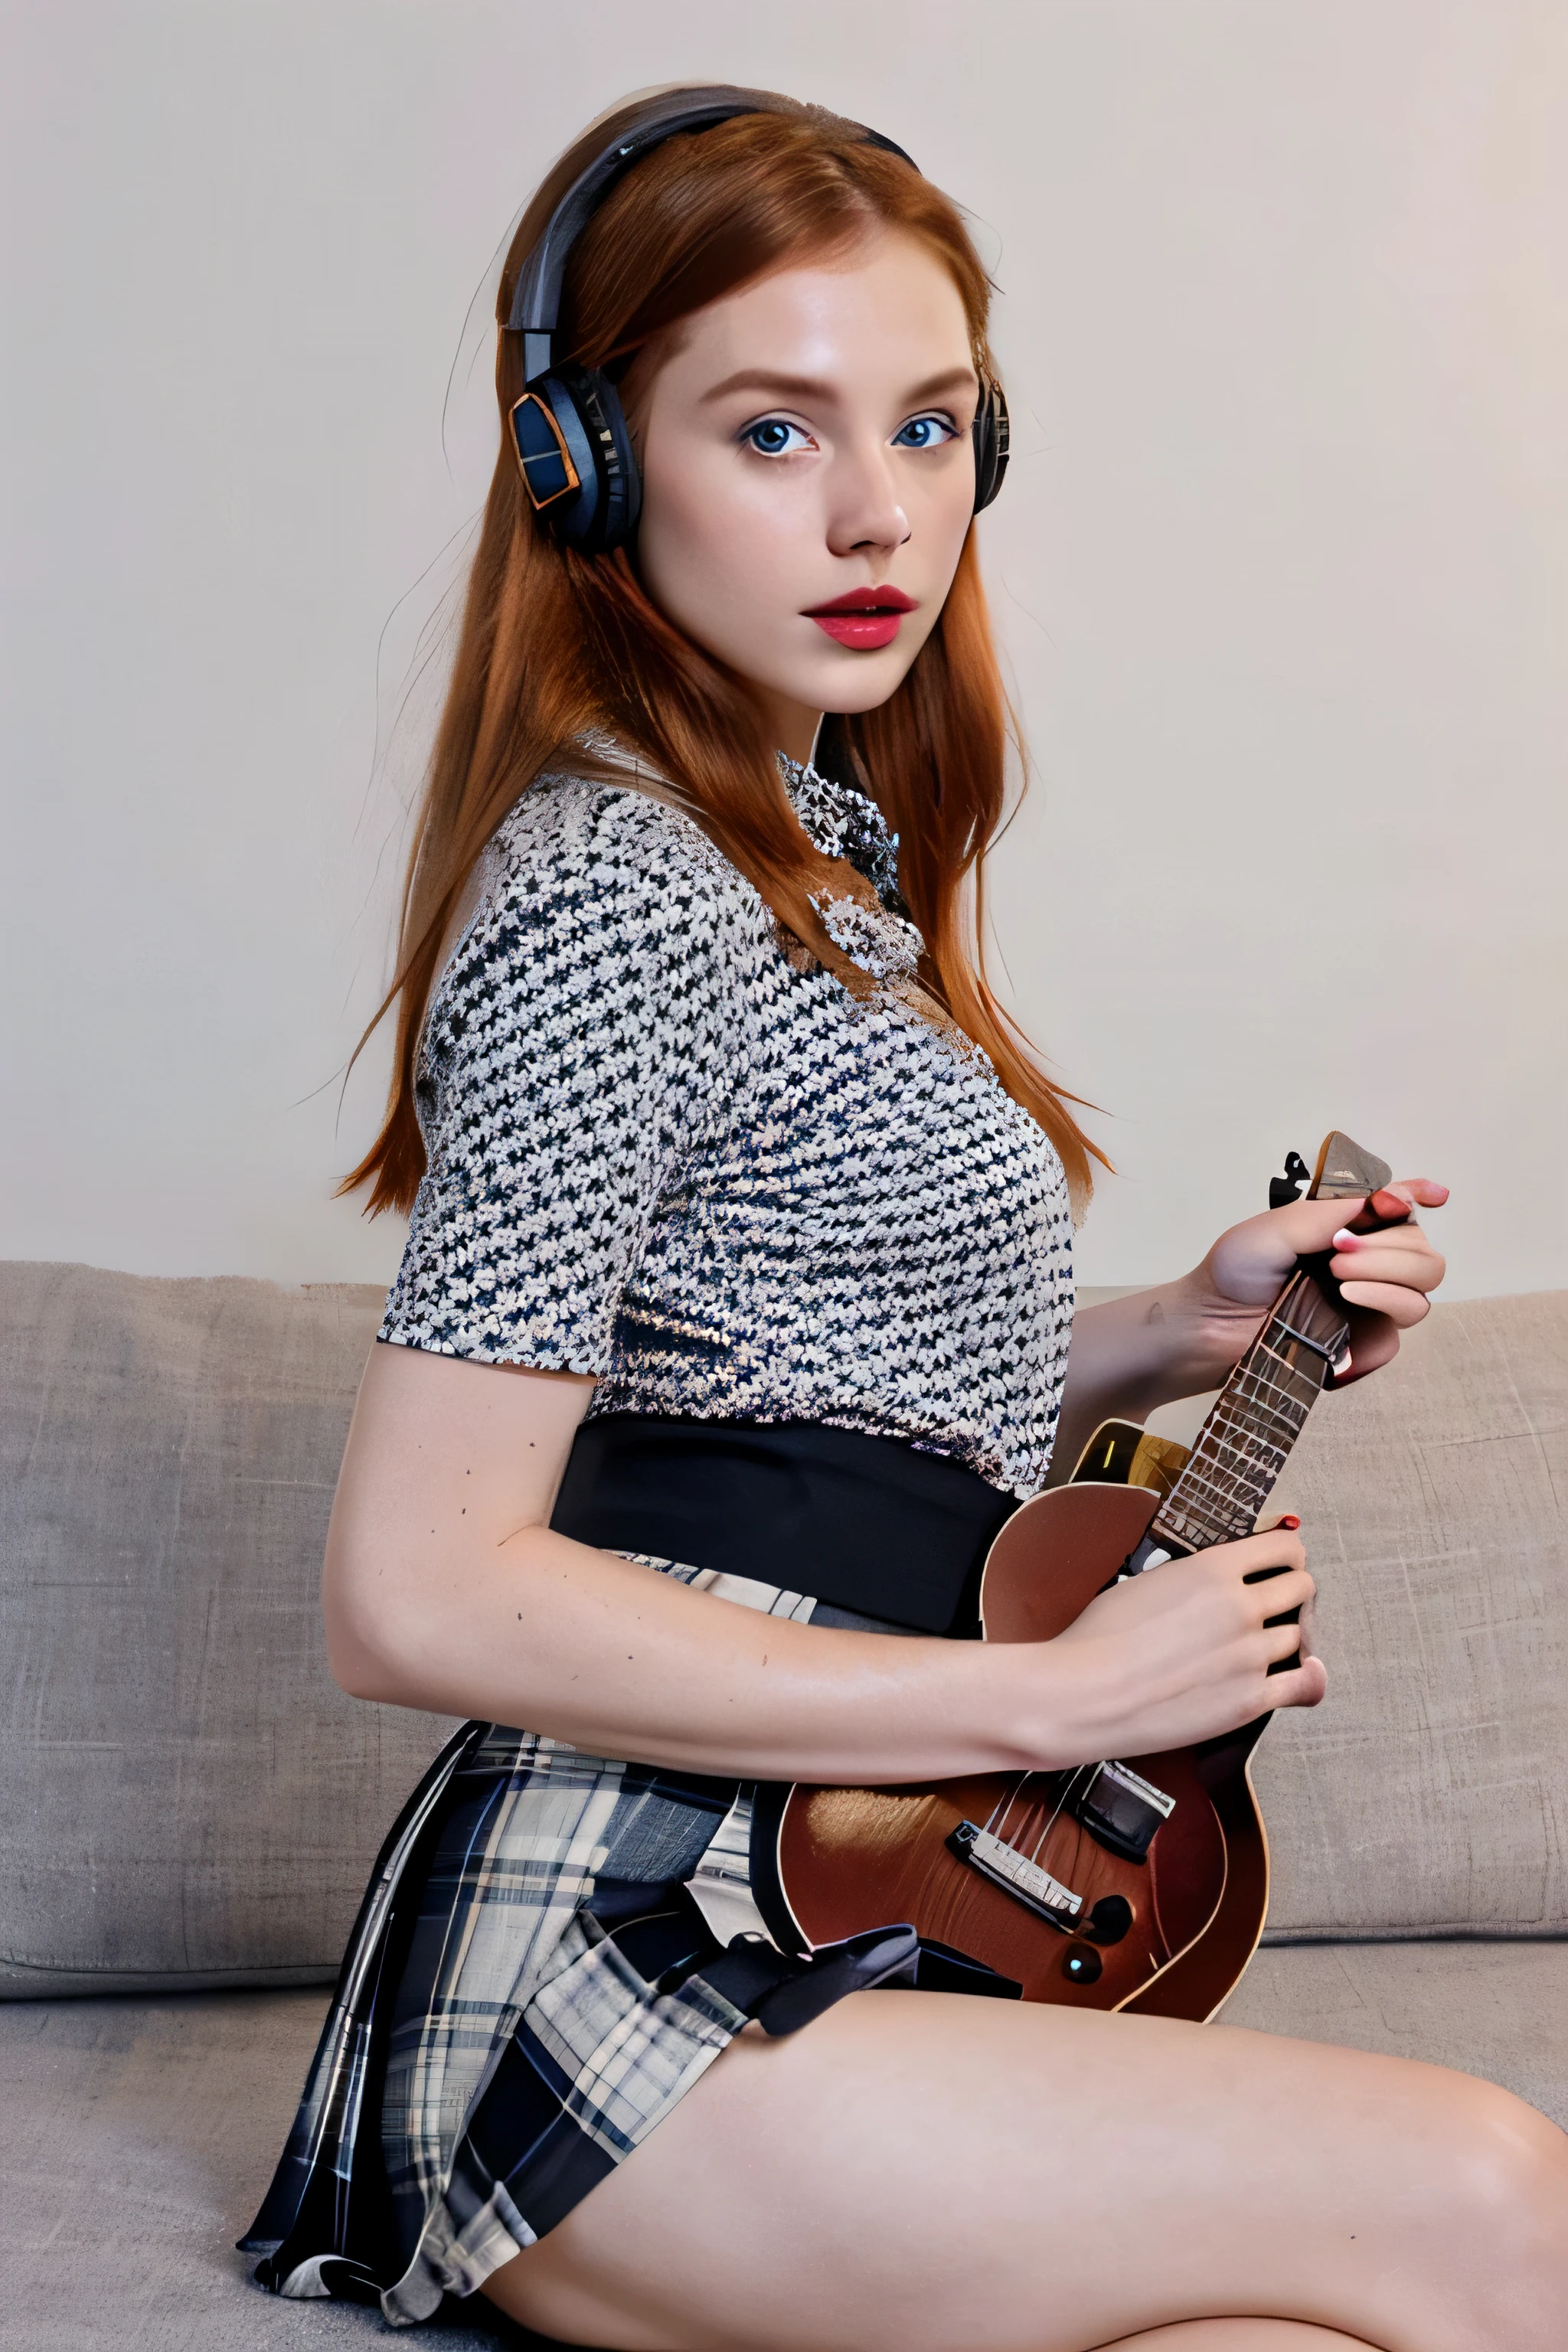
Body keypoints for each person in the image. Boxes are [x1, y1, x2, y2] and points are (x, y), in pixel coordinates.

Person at [243, 87, 1565, 2352]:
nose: (881, 512)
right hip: (622, 1942)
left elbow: (778, 1390)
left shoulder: (819, 870)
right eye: (774, 434)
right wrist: (1047, 1685)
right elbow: (410, 1587)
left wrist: (1174, 1322)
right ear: (582, 467)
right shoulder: (611, 885)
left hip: (829, 1881)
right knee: (1490, 2197)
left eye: (934, 427)